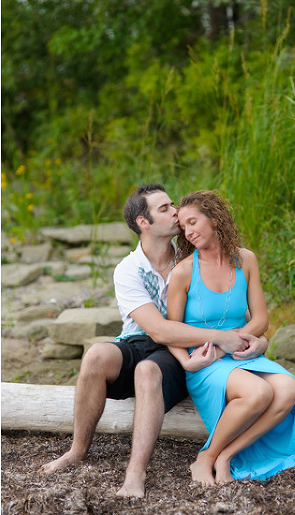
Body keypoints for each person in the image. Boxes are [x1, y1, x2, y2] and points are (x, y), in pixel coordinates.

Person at [41, 183, 268, 498]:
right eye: (165, 209)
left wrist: (251, 338)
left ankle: (135, 473)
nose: (176, 213)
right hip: (140, 341)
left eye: (173, 205)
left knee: (147, 371)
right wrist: (220, 337)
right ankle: (77, 450)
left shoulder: (191, 258)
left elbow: (225, 305)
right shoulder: (128, 270)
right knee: (95, 355)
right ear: (143, 223)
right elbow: (158, 330)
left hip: (173, 354)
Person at [166, 190, 295, 486]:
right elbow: (171, 330)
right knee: (259, 393)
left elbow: (260, 319)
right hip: (207, 361)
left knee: (288, 388)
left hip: (241, 353)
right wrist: (193, 360)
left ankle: (225, 455)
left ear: (215, 218)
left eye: (193, 222)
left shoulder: (245, 260)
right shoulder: (183, 272)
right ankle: (204, 458)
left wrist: (251, 340)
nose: (189, 232)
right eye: (184, 227)